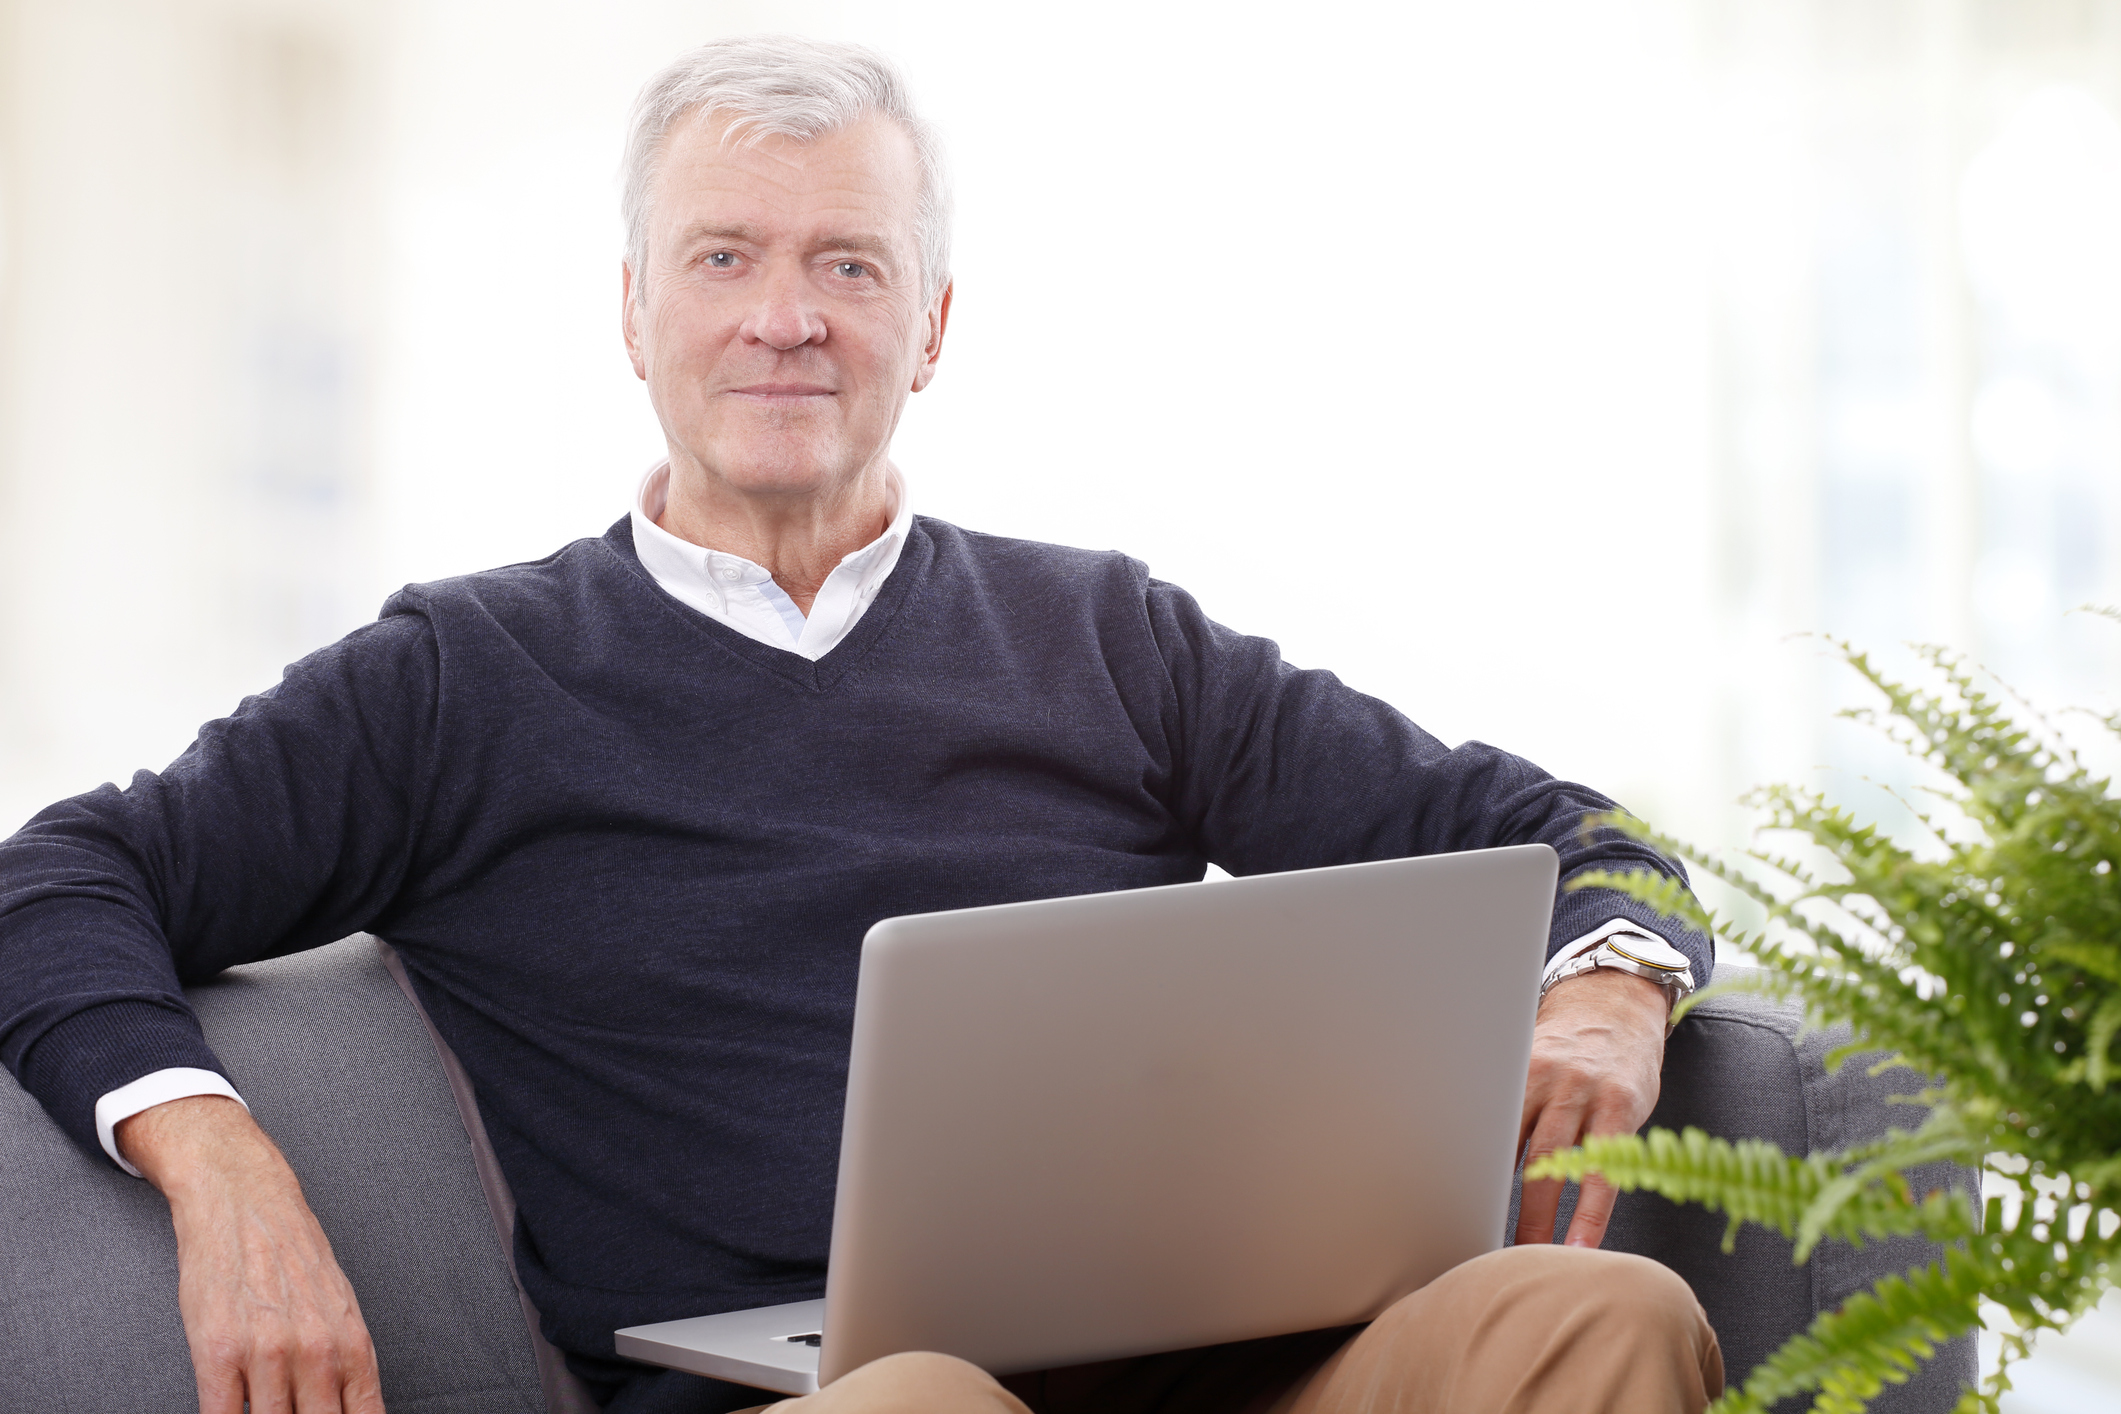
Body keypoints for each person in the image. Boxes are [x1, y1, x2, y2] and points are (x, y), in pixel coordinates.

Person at [0, 36, 1723, 1414]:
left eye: (848, 262)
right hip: (823, 1400)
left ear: (932, 321)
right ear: (633, 313)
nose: (785, 316)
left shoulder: (1108, 633)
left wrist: (1612, 982)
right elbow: (59, 877)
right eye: (725, 257)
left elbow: (1566, 830)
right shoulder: (463, 674)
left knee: (1602, 1320)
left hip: (1221, 1361)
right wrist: (223, 1162)